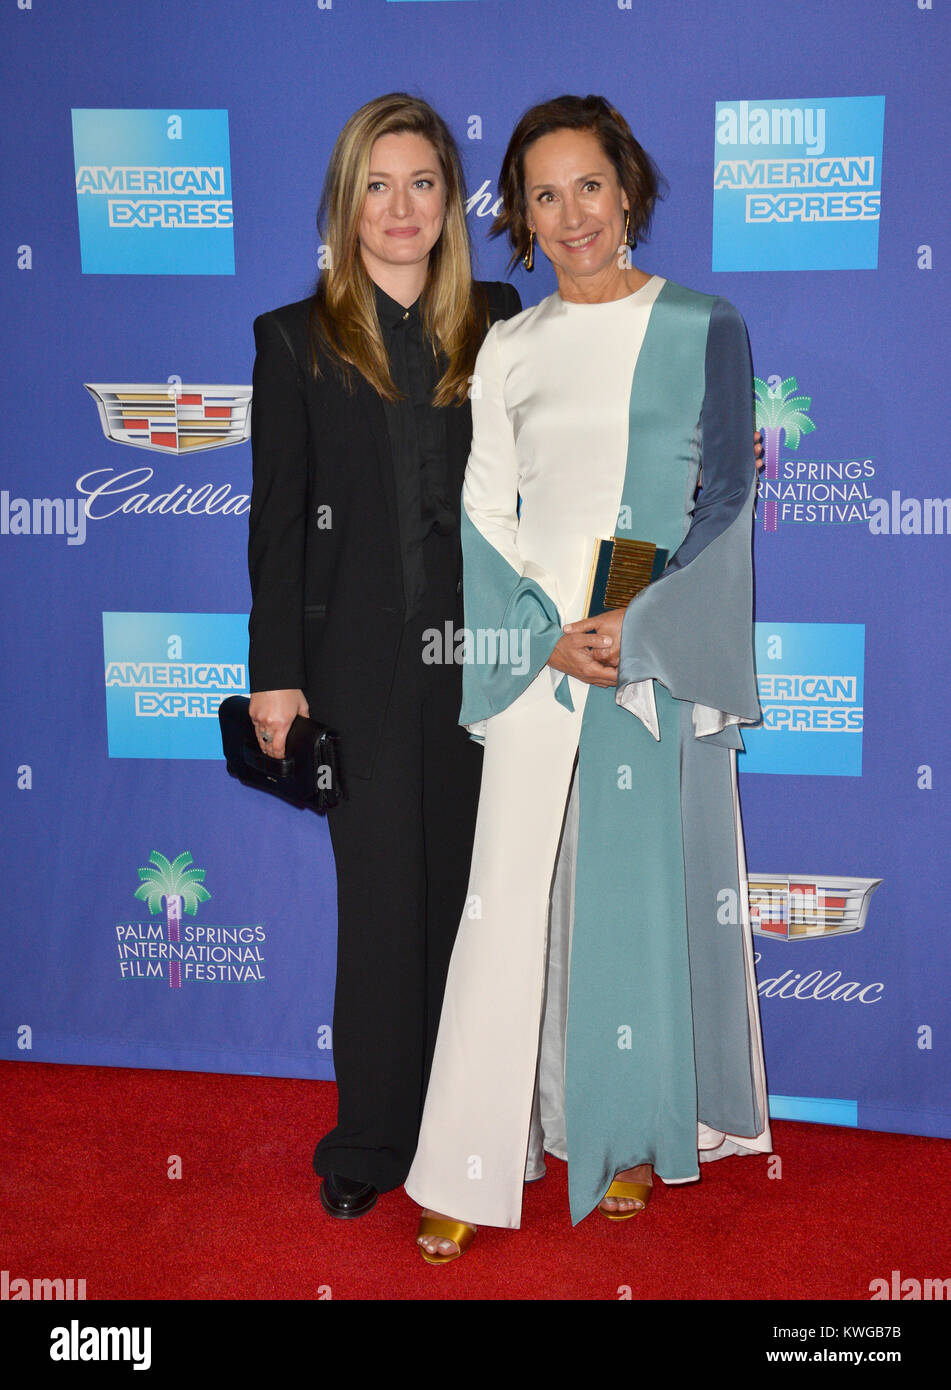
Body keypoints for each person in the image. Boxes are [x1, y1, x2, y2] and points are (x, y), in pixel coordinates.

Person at [406, 94, 772, 1262]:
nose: (571, 216)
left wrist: (644, 625)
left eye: (590, 187)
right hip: (536, 661)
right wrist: (541, 633)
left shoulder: (706, 324)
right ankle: (472, 1152)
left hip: (643, 660)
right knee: (504, 911)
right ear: (520, 214)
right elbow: (484, 516)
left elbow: (725, 503)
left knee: (625, 908)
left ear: (631, 191)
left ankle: (615, 1137)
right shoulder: (507, 347)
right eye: (544, 195)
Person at [247, 93, 521, 1220]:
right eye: (378, 183)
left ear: (451, 201)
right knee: (381, 910)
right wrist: (276, 671)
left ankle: (472, 1134)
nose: (400, 207)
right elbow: (276, 519)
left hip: (484, 661)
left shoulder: (501, 322)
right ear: (345, 200)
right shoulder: (293, 340)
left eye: (422, 183)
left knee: (471, 905)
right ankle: (368, 1142)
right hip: (354, 671)